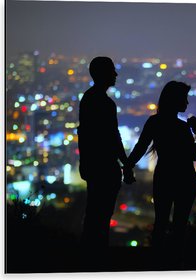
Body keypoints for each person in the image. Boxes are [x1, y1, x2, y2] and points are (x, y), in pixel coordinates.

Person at [125, 81, 196, 249]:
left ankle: (157, 261)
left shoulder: (154, 122)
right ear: (175, 100)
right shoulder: (181, 127)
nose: (187, 103)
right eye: (184, 98)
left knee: (161, 222)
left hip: (164, 176)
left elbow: (140, 147)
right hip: (185, 178)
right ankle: (175, 261)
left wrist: (128, 166)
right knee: (180, 224)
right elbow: (193, 155)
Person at [77, 56, 133, 248]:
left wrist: (84, 162)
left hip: (94, 165)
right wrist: (125, 163)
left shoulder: (88, 99)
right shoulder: (104, 103)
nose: (115, 74)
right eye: (111, 70)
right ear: (103, 74)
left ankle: (91, 253)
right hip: (105, 166)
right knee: (101, 214)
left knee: (95, 212)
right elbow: (112, 136)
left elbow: (85, 134)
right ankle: (96, 255)